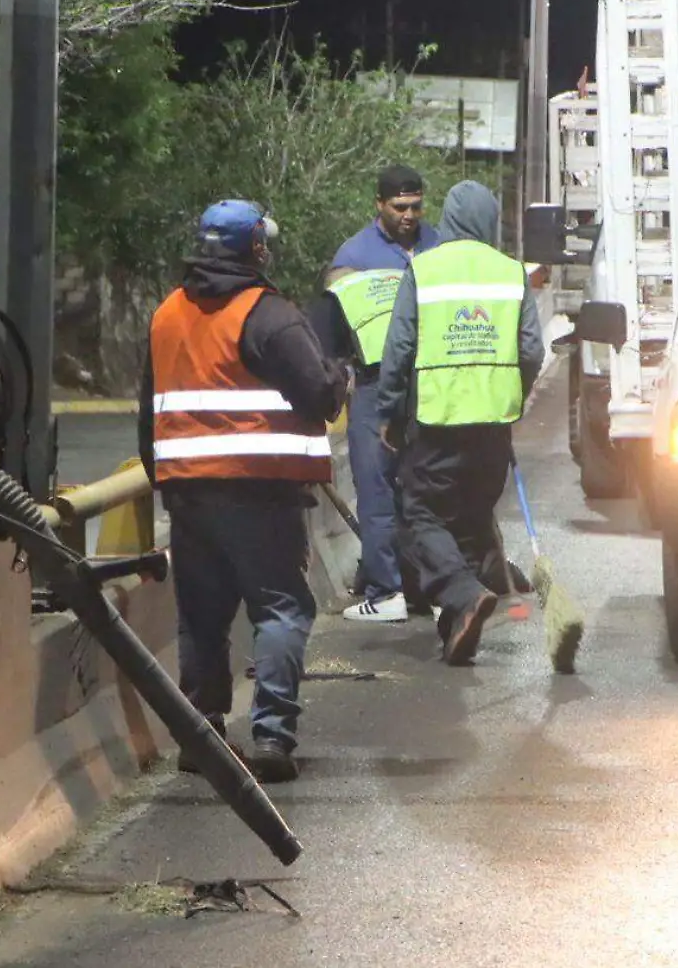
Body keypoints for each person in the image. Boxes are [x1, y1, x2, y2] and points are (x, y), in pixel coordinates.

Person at [138, 199, 352, 783]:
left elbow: (147, 417)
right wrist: (340, 374)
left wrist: (166, 482)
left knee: (202, 619)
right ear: (256, 248)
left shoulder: (167, 315)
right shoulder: (268, 315)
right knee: (281, 609)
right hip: (261, 494)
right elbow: (319, 395)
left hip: (187, 495)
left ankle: (200, 734)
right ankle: (271, 739)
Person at [374, 180, 545, 666]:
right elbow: (531, 350)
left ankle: (462, 594)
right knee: (470, 523)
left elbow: (400, 348)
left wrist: (389, 412)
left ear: (448, 219)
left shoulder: (424, 270)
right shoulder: (511, 273)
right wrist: (511, 394)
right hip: (492, 427)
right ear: (491, 220)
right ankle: (457, 628)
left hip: (435, 423)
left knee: (421, 518)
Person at [311, 165, 442, 624]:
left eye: (416, 207)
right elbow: (330, 330)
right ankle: (387, 591)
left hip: (429, 388)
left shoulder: (437, 246)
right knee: (377, 490)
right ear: (379, 205)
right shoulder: (355, 255)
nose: (409, 216)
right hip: (372, 386)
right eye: (399, 207)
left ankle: (433, 586)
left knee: (426, 491)